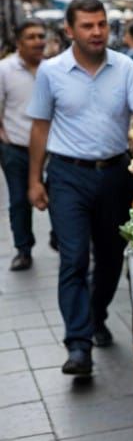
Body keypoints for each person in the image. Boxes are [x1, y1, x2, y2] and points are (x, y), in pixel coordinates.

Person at [27, 0, 133, 376]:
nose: (97, 32)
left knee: (112, 256)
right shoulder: (51, 71)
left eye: (101, 24)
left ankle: (96, 317)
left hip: (116, 173)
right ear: (69, 30)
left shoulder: (125, 66)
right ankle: (78, 344)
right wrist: (34, 180)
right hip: (67, 175)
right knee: (74, 258)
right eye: (87, 25)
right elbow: (39, 126)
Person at [0, 19, 47, 270]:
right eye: (31, 37)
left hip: (53, 149)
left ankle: (60, 238)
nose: (38, 41)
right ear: (19, 42)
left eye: (41, 36)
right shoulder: (4, 70)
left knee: (59, 196)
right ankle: (23, 249)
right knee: (19, 200)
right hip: (16, 148)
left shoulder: (53, 68)